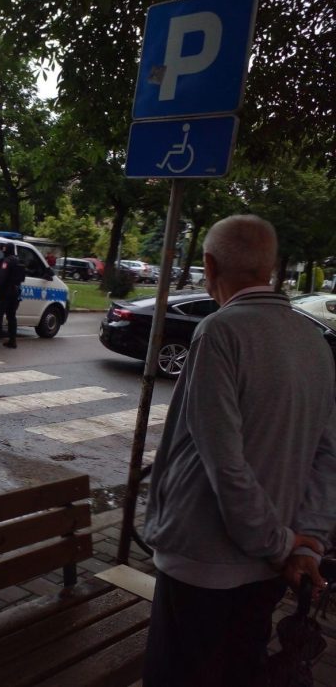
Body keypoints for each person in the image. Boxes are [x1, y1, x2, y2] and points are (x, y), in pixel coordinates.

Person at [142, 215, 336, 687]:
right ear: (271, 266)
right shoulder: (315, 341)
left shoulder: (220, 330)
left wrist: (278, 542)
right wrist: (305, 542)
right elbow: (327, 456)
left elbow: (223, 461)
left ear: (209, 265)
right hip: (271, 568)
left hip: (202, 562)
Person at [0, 242, 25, 349]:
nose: (3, 250)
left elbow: (2, 278)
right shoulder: (17, 260)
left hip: (4, 293)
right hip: (15, 293)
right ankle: (12, 341)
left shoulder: (6, 261)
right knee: (11, 317)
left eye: (4, 248)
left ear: (8, 249)